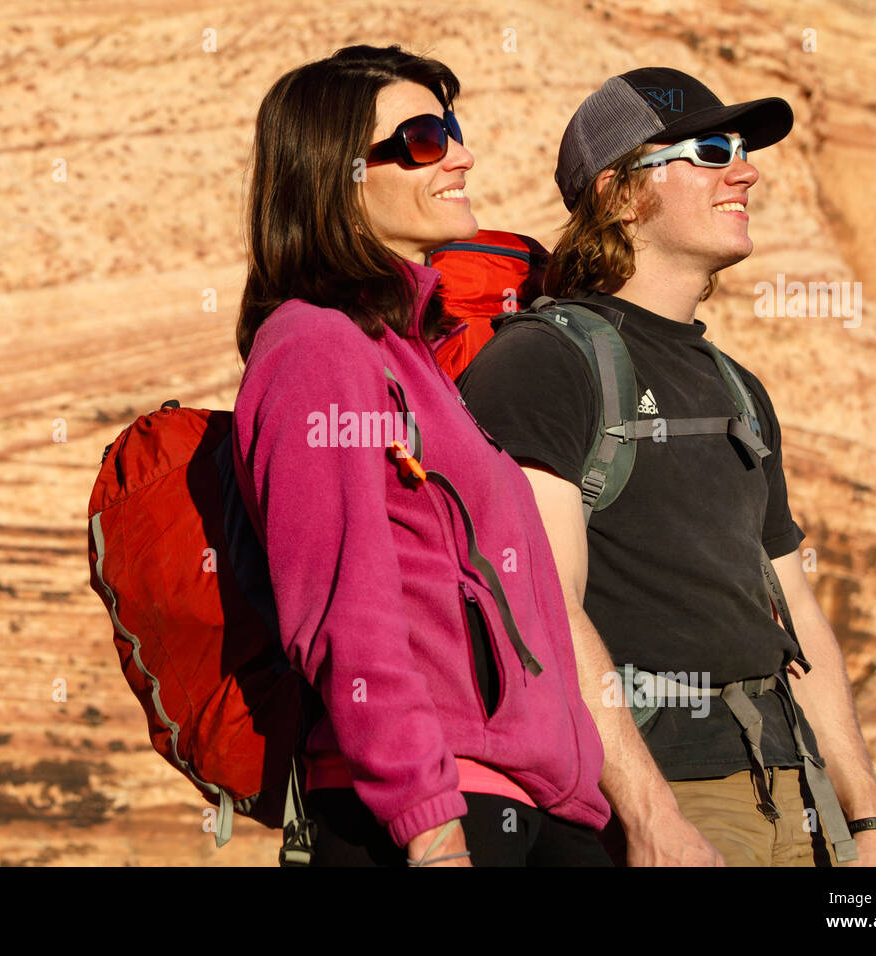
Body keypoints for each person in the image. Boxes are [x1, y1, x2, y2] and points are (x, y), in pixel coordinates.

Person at [457, 67, 876, 866]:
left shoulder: (738, 386)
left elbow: (795, 609)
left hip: (793, 795)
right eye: (709, 149)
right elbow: (542, 607)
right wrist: (655, 817)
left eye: (740, 147)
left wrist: (868, 822)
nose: (746, 168)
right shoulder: (543, 365)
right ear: (621, 193)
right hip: (671, 800)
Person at [231, 45, 612, 867]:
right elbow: (343, 610)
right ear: (341, 176)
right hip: (428, 812)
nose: (463, 154)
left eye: (455, 132)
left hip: (531, 802)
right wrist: (430, 825)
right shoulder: (315, 347)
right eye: (425, 139)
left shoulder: (419, 361)